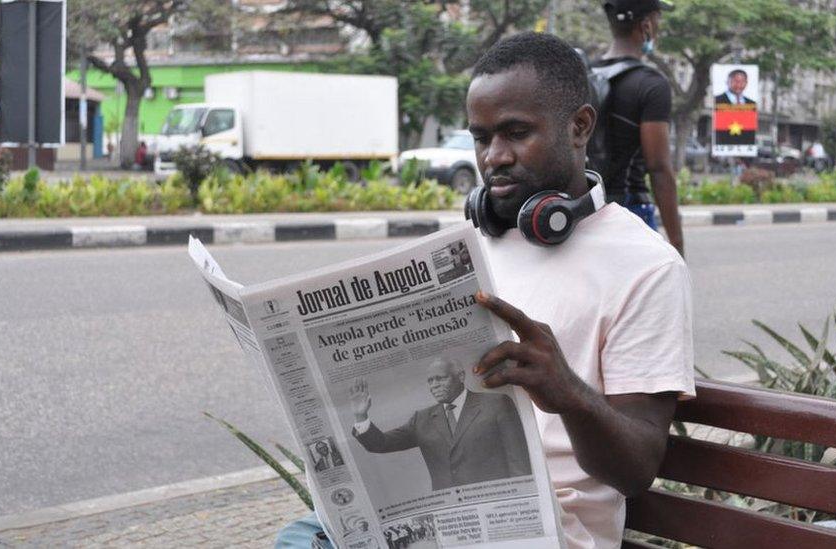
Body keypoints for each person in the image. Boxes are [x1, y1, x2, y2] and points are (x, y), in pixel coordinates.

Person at [277, 32, 694, 549]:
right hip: (438, 517)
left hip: (550, 528)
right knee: (299, 540)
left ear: (580, 126)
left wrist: (571, 396)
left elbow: (636, 470)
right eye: (481, 138)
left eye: (516, 133)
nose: (494, 156)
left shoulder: (646, 265)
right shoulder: (470, 246)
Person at [349, 357, 532, 491]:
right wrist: (360, 416)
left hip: (498, 505)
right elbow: (380, 444)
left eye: (440, 378)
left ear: (460, 376)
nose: (434, 385)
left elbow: (519, 464)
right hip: (452, 515)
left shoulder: (496, 404)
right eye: (430, 381)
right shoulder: (422, 419)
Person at [594, 0, 684, 256]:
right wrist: (676, 245)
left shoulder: (585, 73)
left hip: (586, 211)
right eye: (657, 20)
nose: (657, 28)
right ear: (646, 25)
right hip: (630, 209)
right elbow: (659, 169)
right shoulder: (651, 84)